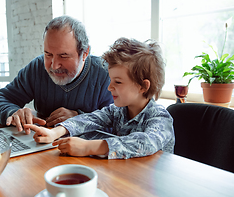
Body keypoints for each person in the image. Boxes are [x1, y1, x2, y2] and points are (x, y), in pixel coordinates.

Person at [24, 37, 175, 159]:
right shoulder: (117, 110)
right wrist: (55, 133)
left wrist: (88, 147)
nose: (110, 87)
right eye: (110, 80)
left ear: (143, 86)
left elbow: (146, 142)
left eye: (118, 82)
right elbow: (90, 119)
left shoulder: (160, 118)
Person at [0, 16, 113, 134]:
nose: (54, 66)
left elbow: (119, 124)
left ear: (85, 53)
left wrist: (79, 118)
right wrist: (13, 112)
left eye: (63, 56)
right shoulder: (37, 67)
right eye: (48, 54)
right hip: (43, 148)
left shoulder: (106, 74)